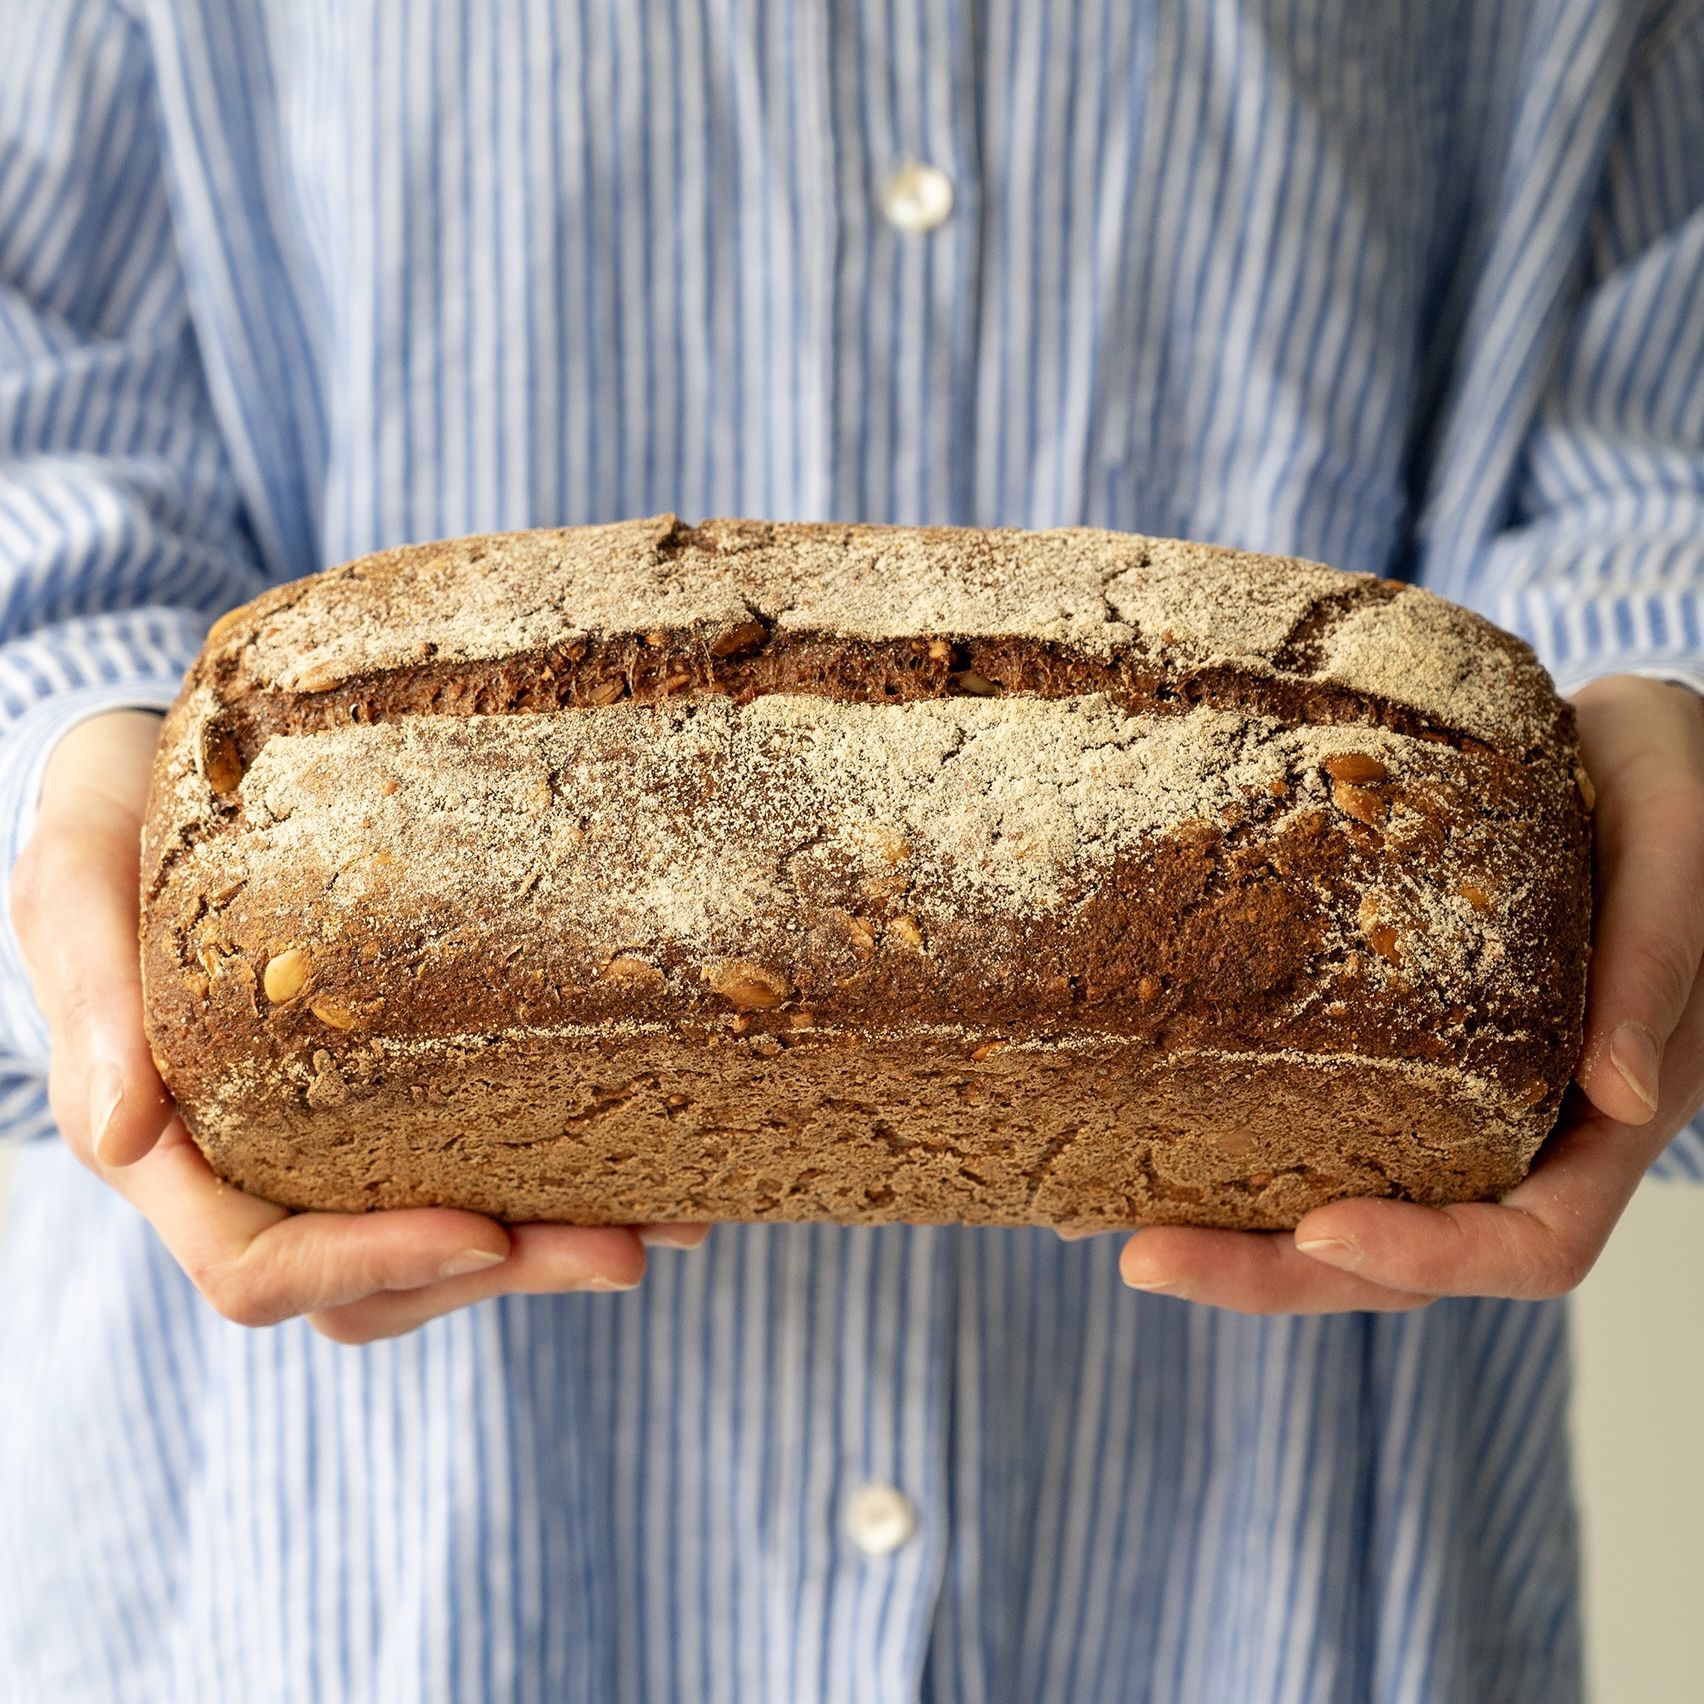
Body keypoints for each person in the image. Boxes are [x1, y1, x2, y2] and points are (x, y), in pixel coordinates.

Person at [2, 1, 1701, 1698]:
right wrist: (71, 744)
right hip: (358, 1570)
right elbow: (45, 351)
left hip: (1292, 1577)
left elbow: (1654, 369)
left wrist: (1668, 737)